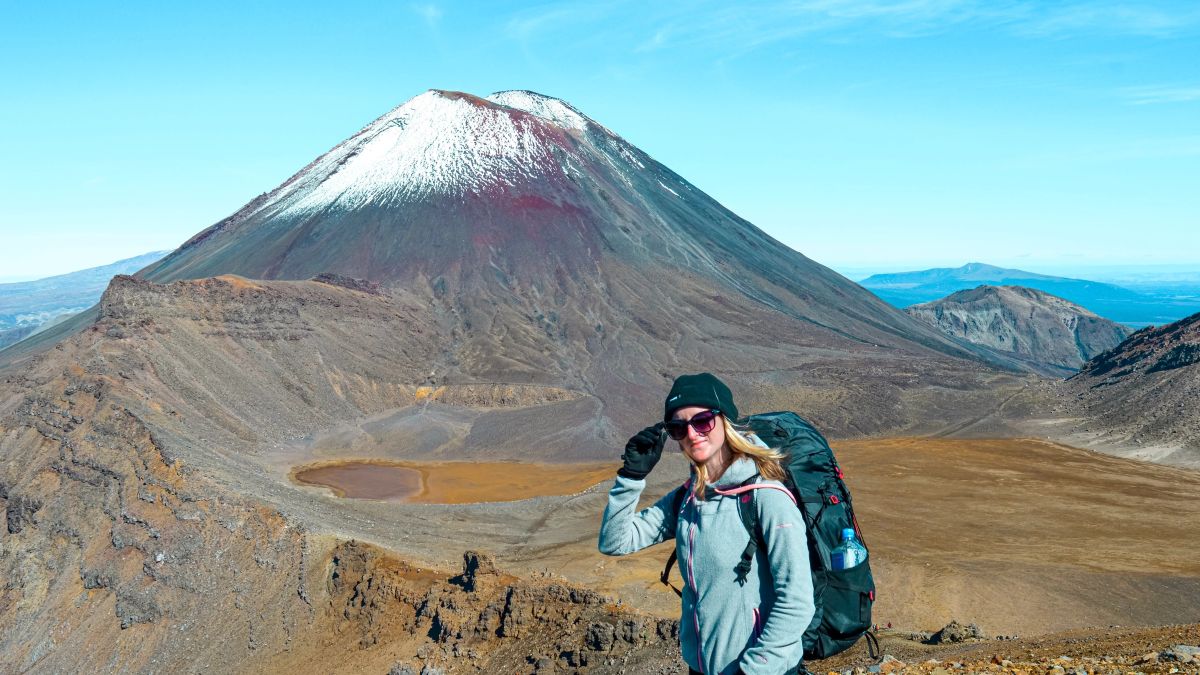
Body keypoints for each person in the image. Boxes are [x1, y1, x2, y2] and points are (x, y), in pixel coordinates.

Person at [598, 373, 815, 675]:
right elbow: (615, 542)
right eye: (678, 427)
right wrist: (631, 478)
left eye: (702, 420)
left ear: (725, 420)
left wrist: (754, 670)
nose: (692, 433)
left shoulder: (766, 498)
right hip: (701, 668)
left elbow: (797, 602)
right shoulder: (687, 499)